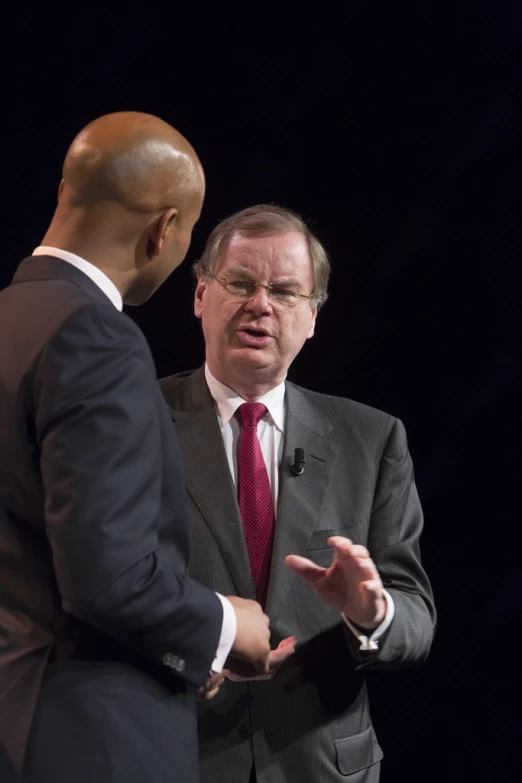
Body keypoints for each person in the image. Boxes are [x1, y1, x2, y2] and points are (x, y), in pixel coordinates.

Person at [0, 113, 271, 783]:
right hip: (89, 740)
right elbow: (108, 578)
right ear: (163, 231)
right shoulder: (97, 337)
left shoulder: (11, 319)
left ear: (66, 193)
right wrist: (223, 626)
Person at [159, 204, 436, 783]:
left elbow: (415, 613)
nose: (259, 304)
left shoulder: (373, 439)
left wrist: (372, 613)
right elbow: (94, 587)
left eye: (285, 292)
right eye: (239, 283)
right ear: (200, 295)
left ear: (311, 317)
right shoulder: (137, 421)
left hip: (323, 764)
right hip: (176, 754)